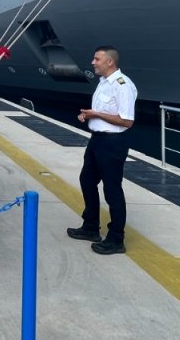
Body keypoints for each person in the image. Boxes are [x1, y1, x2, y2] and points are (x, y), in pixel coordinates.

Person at [67, 45, 137, 255]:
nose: (93, 62)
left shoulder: (122, 85)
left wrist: (95, 115)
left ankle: (116, 239)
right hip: (97, 140)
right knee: (86, 180)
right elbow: (102, 113)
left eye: (97, 59)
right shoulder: (103, 83)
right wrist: (88, 116)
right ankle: (90, 227)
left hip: (113, 143)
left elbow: (127, 121)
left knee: (112, 189)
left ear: (110, 62)